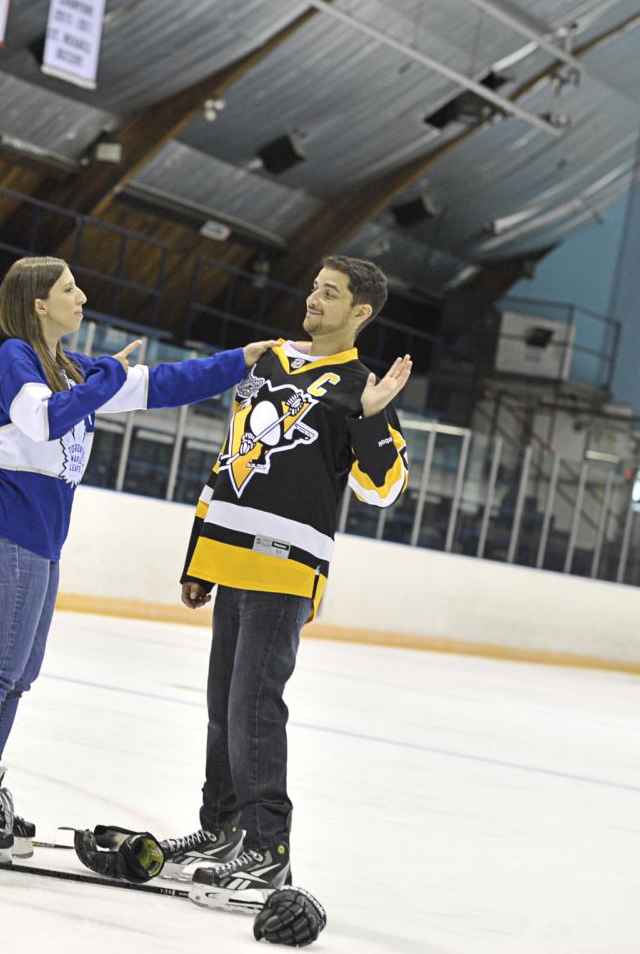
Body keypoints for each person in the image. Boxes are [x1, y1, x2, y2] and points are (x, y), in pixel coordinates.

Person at [0, 255, 277, 863]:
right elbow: (39, 422)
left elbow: (162, 384)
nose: (81, 296)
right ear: (40, 304)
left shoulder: (68, 365)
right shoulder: (17, 357)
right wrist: (103, 379)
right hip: (12, 526)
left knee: (19, 673)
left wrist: (240, 360)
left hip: (40, 535)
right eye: (69, 289)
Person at [160, 255, 413, 907]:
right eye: (314, 287)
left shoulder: (361, 386)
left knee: (254, 706)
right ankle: (222, 831)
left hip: (285, 567)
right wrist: (199, 556)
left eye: (331, 294)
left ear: (360, 313)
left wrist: (374, 417)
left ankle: (268, 850)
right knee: (224, 707)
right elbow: (233, 456)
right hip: (229, 558)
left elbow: (383, 489)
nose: (315, 299)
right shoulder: (271, 362)